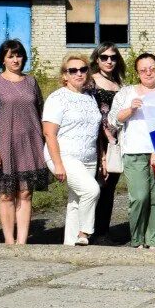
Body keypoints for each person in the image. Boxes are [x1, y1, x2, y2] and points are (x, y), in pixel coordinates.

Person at [0, 39, 50, 245]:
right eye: (10, 56)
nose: (15, 60)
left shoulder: (31, 82)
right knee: (6, 194)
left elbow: (41, 112)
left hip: (30, 143)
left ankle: (22, 242)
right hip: (5, 145)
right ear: (3, 59)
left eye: (18, 55)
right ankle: (9, 241)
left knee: (26, 192)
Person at [110, 54, 155, 249]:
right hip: (134, 151)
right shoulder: (126, 93)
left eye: (152, 68)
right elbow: (112, 120)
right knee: (139, 197)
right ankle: (137, 239)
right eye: (143, 70)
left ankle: (154, 241)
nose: (148, 73)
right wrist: (130, 110)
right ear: (137, 73)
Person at [43, 54, 102, 246]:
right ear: (65, 75)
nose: (79, 73)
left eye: (83, 69)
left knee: (76, 201)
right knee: (91, 191)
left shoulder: (90, 98)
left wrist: (101, 157)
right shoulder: (57, 98)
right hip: (64, 155)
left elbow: (95, 131)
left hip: (89, 157)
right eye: (73, 70)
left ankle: (70, 246)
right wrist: (58, 164)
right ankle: (85, 233)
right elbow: (49, 134)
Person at [86, 43, 124, 244]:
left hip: (115, 141)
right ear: (97, 59)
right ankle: (89, 231)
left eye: (113, 57)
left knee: (110, 187)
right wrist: (102, 146)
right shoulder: (91, 82)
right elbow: (92, 115)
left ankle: (103, 231)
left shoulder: (119, 83)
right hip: (96, 141)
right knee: (96, 186)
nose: (109, 61)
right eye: (104, 57)